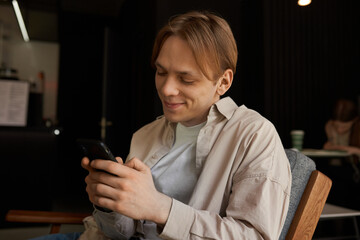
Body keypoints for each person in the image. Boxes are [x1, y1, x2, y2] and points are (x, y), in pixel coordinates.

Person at [31, 10, 291, 240]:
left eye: (186, 79)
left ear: (223, 82)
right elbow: (122, 232)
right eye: (161, 72)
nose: (166, 89)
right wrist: (110, 203)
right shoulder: (146, 135)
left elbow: (255, 236)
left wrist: (160, 208)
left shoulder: (253, 135)